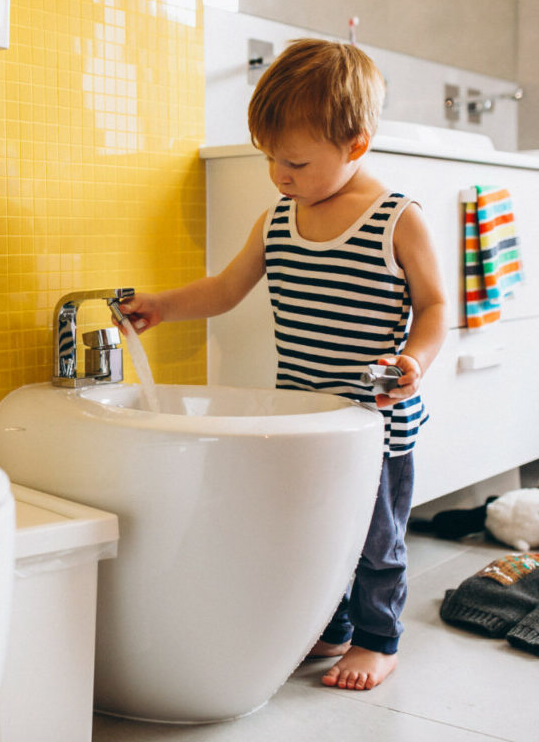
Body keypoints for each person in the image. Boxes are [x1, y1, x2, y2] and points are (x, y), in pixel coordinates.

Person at [119, 39, 447, 691]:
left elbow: (436, 305)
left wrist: (414, 358)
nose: (279, 174)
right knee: (316, 530)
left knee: (375, 539)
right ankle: (334, 625)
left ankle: (379, 639)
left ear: (355, 145)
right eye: (270, 158)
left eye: (294, 161)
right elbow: (224, 288)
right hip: (301, 417)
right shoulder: (277, 220)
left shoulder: (395, 219)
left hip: (375, 421)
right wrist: (160, 306)